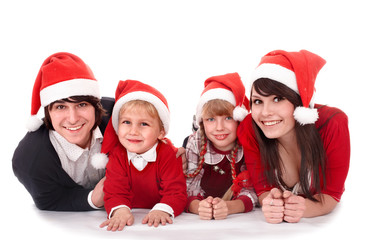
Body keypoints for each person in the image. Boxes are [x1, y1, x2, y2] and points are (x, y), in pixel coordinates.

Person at [237, 50, 350, 223]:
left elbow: (331, 194)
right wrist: (270, 202)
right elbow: (263, 189)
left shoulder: (333, 124)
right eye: (258, 101)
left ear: (299, 101)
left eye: (277, 99)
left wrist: (303, 209)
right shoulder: (249, 128)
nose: (265, 112)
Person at [12, 52, 114, 211]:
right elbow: (49, 199)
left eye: (82, 105)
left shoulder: (119, 117)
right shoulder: (30, 159)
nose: (73, 119)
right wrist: (92, 199)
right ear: (48, 114)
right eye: (61, 107)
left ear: (96, 107)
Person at [96, 80, 187, 231]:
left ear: (161, 132)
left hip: (158, 211)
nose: (133, 131)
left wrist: (162, 209)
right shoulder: (117, 154)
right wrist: (120, 210)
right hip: (130, 207)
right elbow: (114, 189)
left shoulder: (168, 153)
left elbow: (176, 191)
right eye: (126, 122)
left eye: (144, 124)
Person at [185, 72, 258, 220]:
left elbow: (254, 189)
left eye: (228, 118)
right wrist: (199, 207)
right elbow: (187, 187)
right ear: (202, 123)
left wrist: (231, 207)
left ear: (239, 119)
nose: (219, 127)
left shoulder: (248, 143)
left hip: (237, 217)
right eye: (211, 119)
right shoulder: (196, 143)